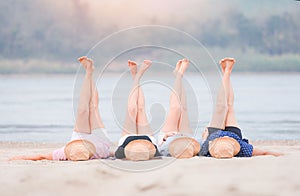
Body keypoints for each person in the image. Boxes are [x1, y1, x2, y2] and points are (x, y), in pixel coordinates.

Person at [10, 56, 111, 161]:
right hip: (99, 139)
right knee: (93, 106)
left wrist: (17, 158)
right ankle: (90, 72)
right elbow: (110, 153)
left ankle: (88, 72)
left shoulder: (63, 153)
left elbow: (41, 156)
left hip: (78, 137)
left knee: (82, 110)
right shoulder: (101, 151)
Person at [199, 57, 283, 158]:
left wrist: (204, 136)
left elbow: (202, 141)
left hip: (213, 134)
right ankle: (227, 72)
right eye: (226, 138)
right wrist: (283, 155)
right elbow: (265, 152)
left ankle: (226, 72)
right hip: (234, 135)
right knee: (229, 106)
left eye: (224, 138)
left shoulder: (206, 148)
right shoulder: (243, 149)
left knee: (220, 106)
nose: (225, 136)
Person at [114, 60, 160, 161]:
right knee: (140, 109)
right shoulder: (154, 152)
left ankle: (136, 76)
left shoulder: (121, 153)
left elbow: (116, 155)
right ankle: (137, 76)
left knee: (132, 109)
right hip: (148, 140)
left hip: (127, 139)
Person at [158, 59, 200, 159]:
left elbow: (158, 147)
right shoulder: (193, 152)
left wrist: (166, 136)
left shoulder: (165, 151)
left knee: (175, 108)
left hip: (170, 136)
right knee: (183, 108)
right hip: (187, 137)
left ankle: (178, 75)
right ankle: (179, 76)